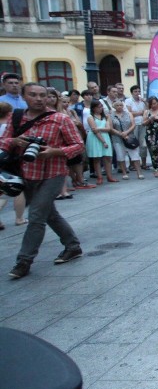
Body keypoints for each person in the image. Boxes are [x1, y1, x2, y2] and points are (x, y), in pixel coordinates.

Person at [2, 83, 85, 279]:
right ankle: (72, 246)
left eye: (43, 95)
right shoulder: (16, 118)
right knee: (49, 214)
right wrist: (14, 141)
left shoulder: (60, 119)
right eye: (33, 95)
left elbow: (78, 145)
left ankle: (24, 261)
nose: (39, 99)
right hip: (27, 172)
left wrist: (56, 151)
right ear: (24, 96)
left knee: (37, 216)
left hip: (54, 173)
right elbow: (3, 142)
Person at [110, 99, 143, 180]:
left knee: (135, 155)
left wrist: (126, 132)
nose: (119, 107)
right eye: (117, 105)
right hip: (117, 138)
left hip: (130, 137)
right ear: (114, 106)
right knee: (120, 156)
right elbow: (111, 128)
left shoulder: (128, 113)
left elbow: (133, 124)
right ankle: (124, 173)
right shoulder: (111, 115)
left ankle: (139, 173)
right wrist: (120, 134)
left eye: (121, 105)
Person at [86, 100, 118, 184]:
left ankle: (109, 176)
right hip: (95, 138)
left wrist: (99, 128)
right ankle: (99, 177)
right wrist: (103, 141)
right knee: (96, 158)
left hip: (105, 136)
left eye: (101, 107)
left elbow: (108, 128)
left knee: (107, 157)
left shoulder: (106, 116)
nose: (101, 109)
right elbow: (94, 130)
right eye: (98, 107)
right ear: (93, 108)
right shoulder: (90, 117)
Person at [125, 85, 148, 169]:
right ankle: (132, 164)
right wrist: (140, 112)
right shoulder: (128, 101)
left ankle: (144, 163)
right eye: (135, 91)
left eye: (139, 91)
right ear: (132, 93)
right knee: (133, 143)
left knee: (143, 144)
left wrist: (145, 102)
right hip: (133, 124)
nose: (137, 93)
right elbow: (129, 113)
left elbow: (147, 110)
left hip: (142, 123)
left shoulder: (142, 101)